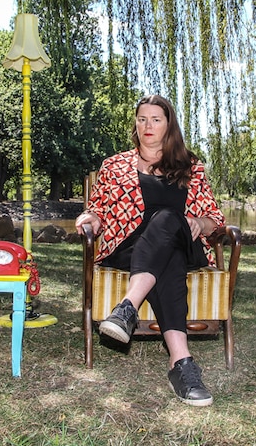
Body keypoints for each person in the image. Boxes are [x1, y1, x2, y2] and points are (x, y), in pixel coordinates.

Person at [75, 94, 225, 407]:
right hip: (129, 248)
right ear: (135, 123)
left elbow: (215, 222)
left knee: (168, 220)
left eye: (156, 119)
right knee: (165, 257)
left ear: (169, 125)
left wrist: (200, 220)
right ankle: (181, 364)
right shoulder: (115, 166)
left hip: (187, 246)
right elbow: (98, 208)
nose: (148, 125)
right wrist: (89, 217)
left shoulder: (191, 167)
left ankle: (126, 307)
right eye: (142, 118)